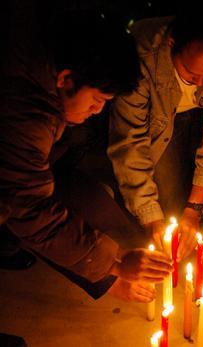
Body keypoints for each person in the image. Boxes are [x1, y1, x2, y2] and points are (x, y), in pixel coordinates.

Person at [0, 1, 173, 303]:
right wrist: (115, 265)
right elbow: (32, 210)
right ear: (65, 78)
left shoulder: (39, 57)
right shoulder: (25, 116)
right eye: (97, 98)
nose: (97, 110)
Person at [108, 5, 203, 262]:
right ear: (172, 44)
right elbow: (129, 139)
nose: (200, 83)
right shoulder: (141, 53)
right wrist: (151, 219)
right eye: (191, 73)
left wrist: (194, 209)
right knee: (165, 211)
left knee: (192, 210)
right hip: (159, 122)